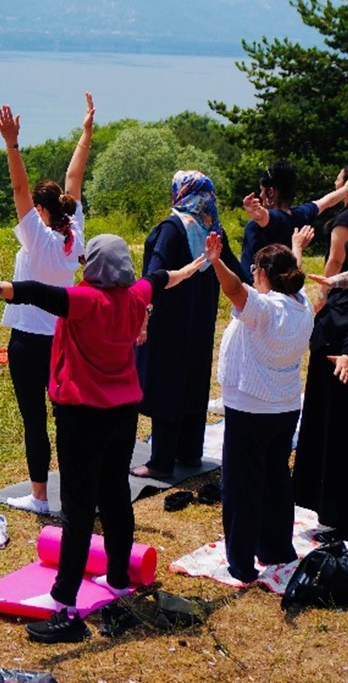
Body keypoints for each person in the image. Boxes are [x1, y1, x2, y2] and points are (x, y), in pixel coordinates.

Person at [0, 236, 204, 644]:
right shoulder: (135, 295)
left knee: (77, 510)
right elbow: (165, 278)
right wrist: (202, 261)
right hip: (123, 414)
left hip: (81, 418)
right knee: (114, 498)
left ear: (94, 266)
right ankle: (118, 581)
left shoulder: (85, 301)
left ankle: (65, 607)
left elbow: (38, 293)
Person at [0, 94, 93, 515]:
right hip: (63, 337)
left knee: (35, 420)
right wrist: (86, 132)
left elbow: (18, 186)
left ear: (39, 210)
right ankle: (75, 490)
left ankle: (39, 497)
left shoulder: (37, 238)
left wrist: (12, 145)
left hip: (29, 342)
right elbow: (75, 176)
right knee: (68, 419)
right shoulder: (76, 234)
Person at [204, 233, 313, 584]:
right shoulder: (302, 303)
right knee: (276, 480)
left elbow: (235, 290)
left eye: (255, 268)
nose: (251, 274)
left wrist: (216, 261)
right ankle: (276, 548)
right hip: (284, 408)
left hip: (251, 410)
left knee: (242, 488)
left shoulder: (265, 310)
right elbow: (287, 278)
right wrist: (296, 248)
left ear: (264, 273)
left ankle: (241, 562)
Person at [133, 170, 241, 481]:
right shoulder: (213, 227)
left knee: (167, 382)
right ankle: (190, 451)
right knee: (193, 379)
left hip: (169, 320)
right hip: (201, 319)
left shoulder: (173, 228)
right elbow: (236, 270)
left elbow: (155, 271)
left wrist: (144, 311)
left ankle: (161, 461)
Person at [293, 236, 348, 544]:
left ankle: (343, 521)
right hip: (329, 379)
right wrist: (334, 280)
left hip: (343, 381)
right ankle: (330, 512)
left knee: (341, 447)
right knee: (325, 442)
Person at [240, 160, 348, 283]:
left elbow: (265, 217)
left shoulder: (274, 218)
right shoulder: (300, 214)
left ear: (270, 192)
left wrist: (257, 213)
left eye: (262, 190)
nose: (261, 195)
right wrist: (347, 189)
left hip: (256, 290)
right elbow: (326, 201)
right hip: (285, 287)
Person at [323, 162, 348, 276]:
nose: (335, 182)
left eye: (338, 179)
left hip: (344, 288)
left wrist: (323, 290)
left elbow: (336, 260)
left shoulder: (346, 218)